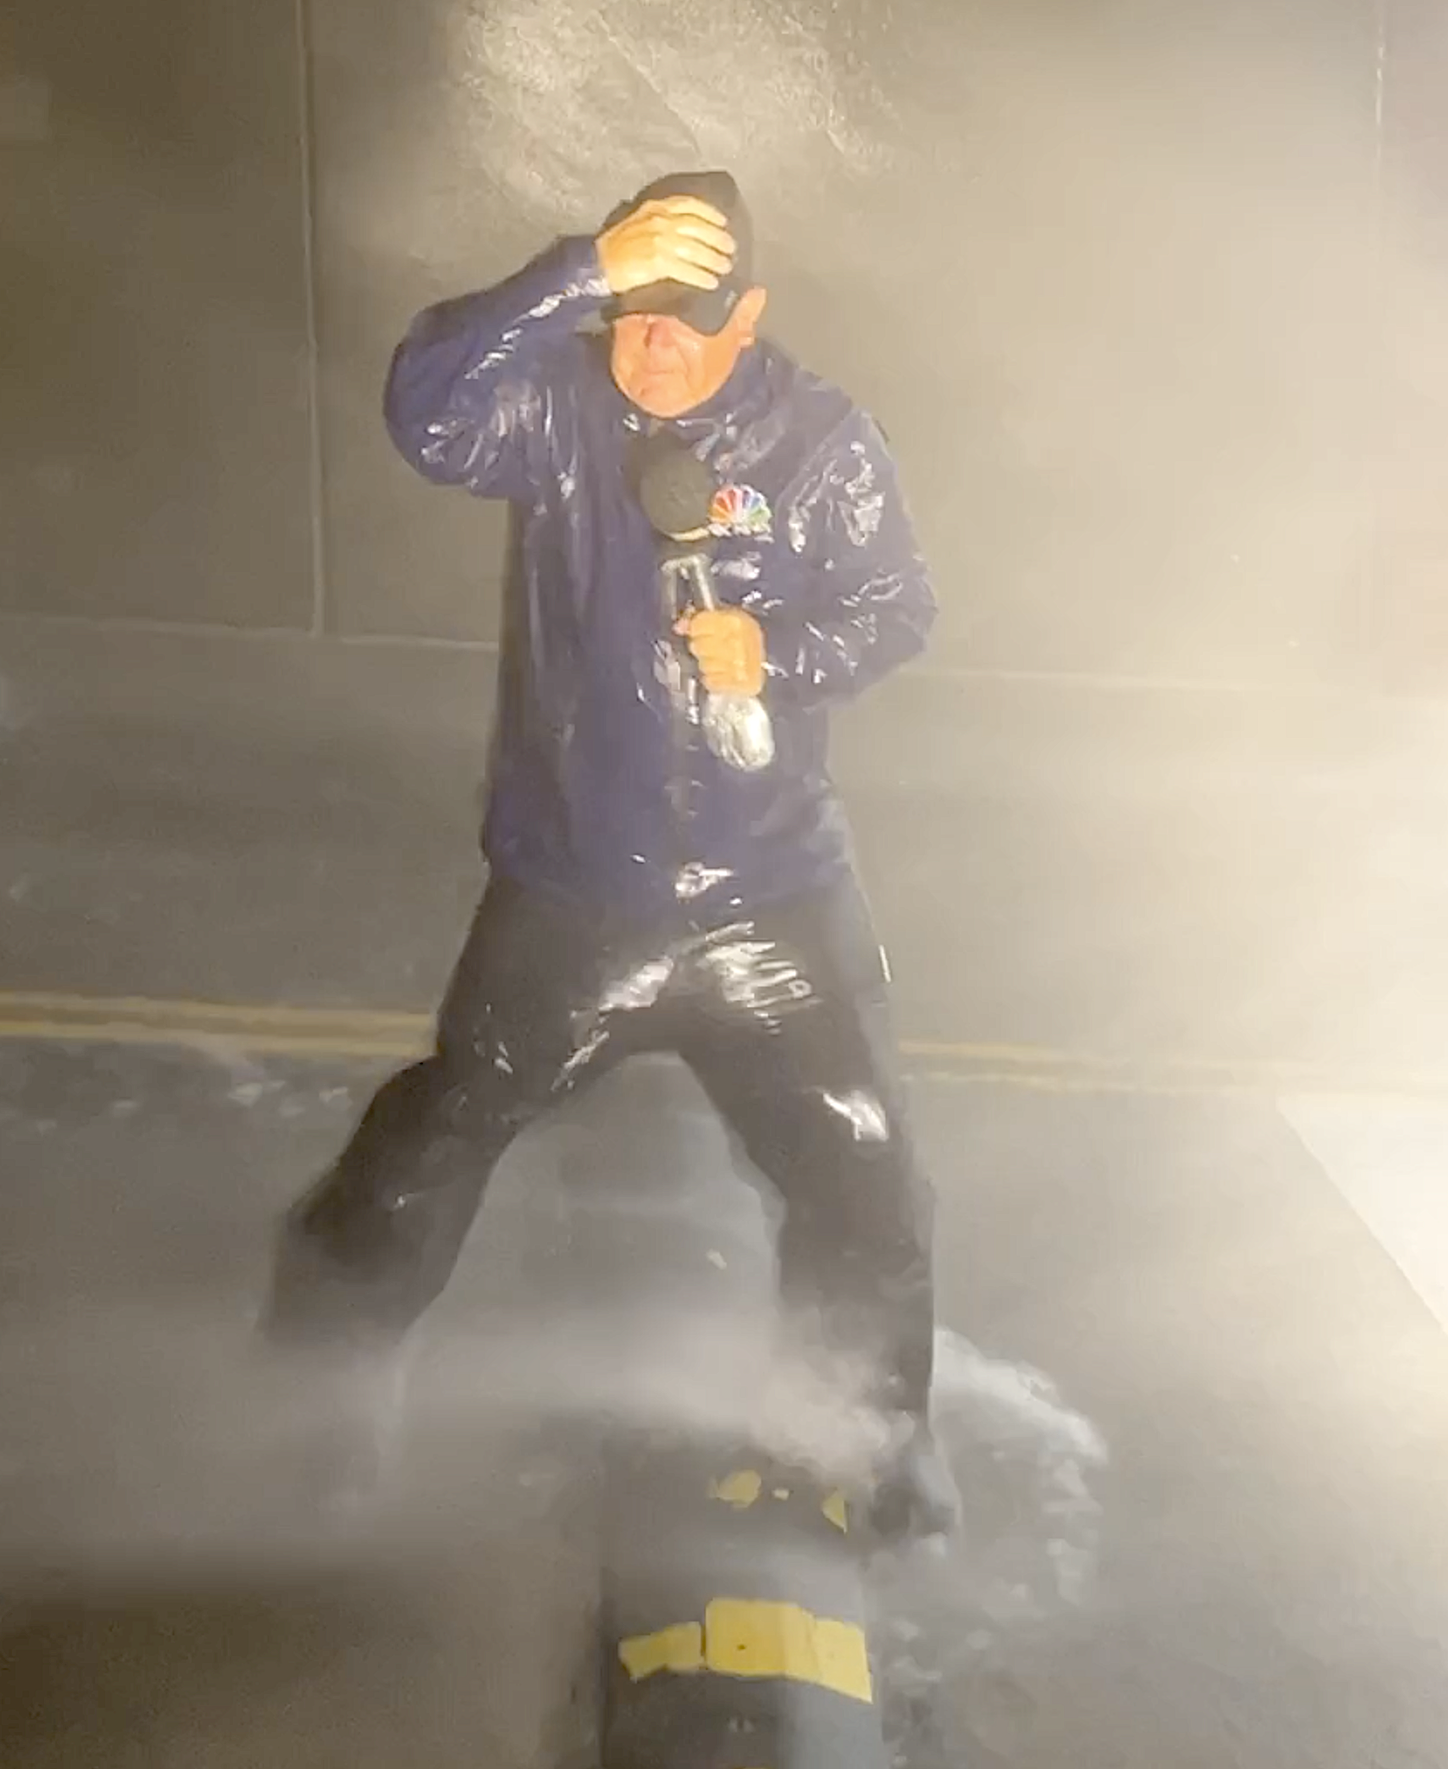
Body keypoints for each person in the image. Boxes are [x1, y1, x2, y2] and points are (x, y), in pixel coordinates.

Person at [263, 170, 954, 1539]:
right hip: (579, 899)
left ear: (748, 313)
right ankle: (312, 1414)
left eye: (687, 319)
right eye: (635, 310)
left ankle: (860, 1444)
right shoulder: (560, 411)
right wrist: (571, 273)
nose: (654, 342)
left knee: (866, 1170)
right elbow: (427, 410)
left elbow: (897, 608)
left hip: (769, 902)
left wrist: (786, 652)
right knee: (428, 1140)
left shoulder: (822, 445)